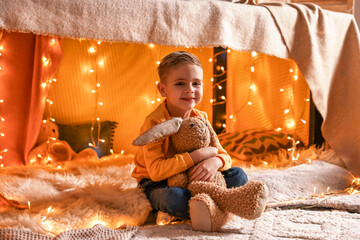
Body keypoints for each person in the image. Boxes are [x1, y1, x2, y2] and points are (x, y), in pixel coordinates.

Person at [131, 51, 248, 222]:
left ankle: (204, 207)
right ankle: (215, 206)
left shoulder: (201, 117)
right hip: (158, 182)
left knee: (239, 176)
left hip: (193, 177)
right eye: (180, 83)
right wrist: (197, 157)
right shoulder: (155, 122)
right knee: (172, 198)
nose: (190, 90)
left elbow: (223, 155)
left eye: (196, 83)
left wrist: (214, 162)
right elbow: (156, 172)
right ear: (163, 89)